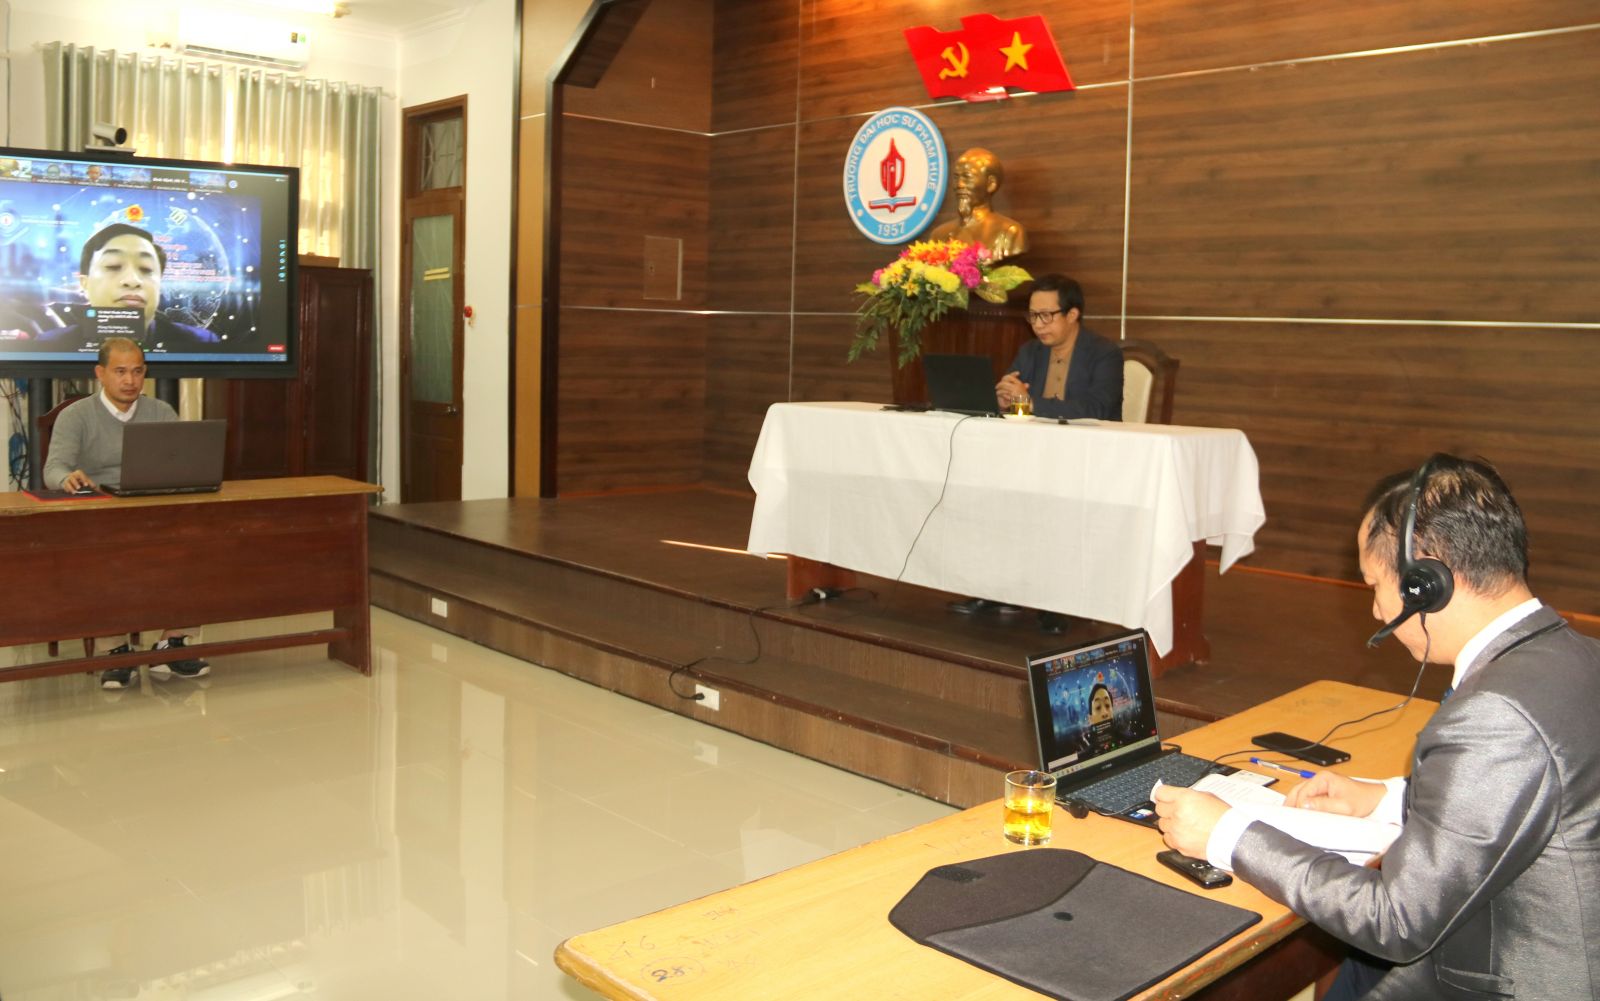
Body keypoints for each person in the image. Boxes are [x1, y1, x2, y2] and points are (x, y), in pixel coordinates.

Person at [1152, 455, 1600, 1000]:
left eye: (1373, 585)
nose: (1375, 610)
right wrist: (1383, 798)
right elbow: (1523, 795)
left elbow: (1396, 921)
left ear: (1425, 584)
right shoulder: (1578, 656)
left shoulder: (1495, 714)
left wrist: (1228, 835)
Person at [43, 336, 212, 689]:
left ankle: (172, 643)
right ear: (100, 373)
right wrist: (67, 478)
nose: (130, 381)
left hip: (153, 509)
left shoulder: (161, 412)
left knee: (196, 545)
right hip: (101, 512)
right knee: (104, 555)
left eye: (137, 371)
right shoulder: (76, 415)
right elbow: (54, 468)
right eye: (120, 372)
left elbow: (180, 464)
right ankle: (116, 651)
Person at [29, 222, 220, 354]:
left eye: (146, 269)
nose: (132, 280)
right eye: (113, 266)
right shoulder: (52, 343)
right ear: (84, 284)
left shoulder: (200, 342)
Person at [995, 274, 1123, 421]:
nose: (1037, 325)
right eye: (1033, 315)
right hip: (1036, 434)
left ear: (1071, 315)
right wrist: (1005, 402)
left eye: (1045, 315)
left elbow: (1097, 409)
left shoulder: (1104, 353)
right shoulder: (1029, 351)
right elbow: (1018, 407)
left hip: (1089, 435)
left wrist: (1030, 403)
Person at [927, 148, 1028, 260]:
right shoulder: (938, 235)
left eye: (967, 177)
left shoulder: (1010, 232)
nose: (959, 185)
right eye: (956, 178)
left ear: (990, 184)